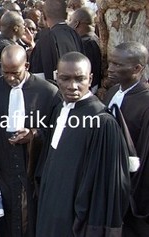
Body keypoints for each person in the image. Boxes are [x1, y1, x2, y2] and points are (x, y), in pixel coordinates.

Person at [36, 52, 130, 236]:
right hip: (51, 210)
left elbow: (107, 187)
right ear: (56, 77)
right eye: (65, 79)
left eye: (80, 79)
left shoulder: (102, 123)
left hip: (77, 221)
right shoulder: (60, 110)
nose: (72, 86)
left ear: (91, 78)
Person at [0, 45, 60, 237]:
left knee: (30, 217)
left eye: (15, 73)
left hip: (31, 167)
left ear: (26, 65)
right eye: (5, 72)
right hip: (2, 163)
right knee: (4, 215)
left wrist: (34, 134)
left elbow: (56, 131)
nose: (10, 78)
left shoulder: (48, 92)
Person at [103, 42, 149, 237]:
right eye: (110, 63)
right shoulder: (113, 92)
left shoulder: (146, 103)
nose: (110, 69)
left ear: (137, 68)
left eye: (118, 65)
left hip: (133, 193)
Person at [29, 0, 84, 80]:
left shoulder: (46, 38)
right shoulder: (75, 34)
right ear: (66, 15)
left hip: (53, 90)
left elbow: (38, 76)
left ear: (44, 16)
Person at [68, 7, 102, 94]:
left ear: (76, 23)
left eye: (70, 20)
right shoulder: (95, 39)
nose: (68, 23)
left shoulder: (87, 43)